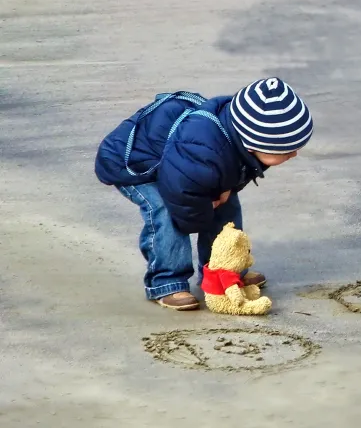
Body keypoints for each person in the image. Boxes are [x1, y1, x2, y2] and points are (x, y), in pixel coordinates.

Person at [95, 77, 313, 310]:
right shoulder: (204, 150)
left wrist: (227, 190)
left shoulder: (239, 137)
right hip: (133, 165)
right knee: (165, 212)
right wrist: (204, 211)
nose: (294, 155)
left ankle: (223, 270)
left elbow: (238, 169)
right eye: (287, 151)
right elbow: (183, 198)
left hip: (180, 166)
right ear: (251, 144)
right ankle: (168, 281)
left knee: (228, 209)